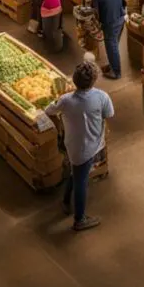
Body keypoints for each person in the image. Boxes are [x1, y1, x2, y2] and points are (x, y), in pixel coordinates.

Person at [46, 61, 112, 231]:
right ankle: (80, 219)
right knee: (81, 182)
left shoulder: (66, 100)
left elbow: (49, 111)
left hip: (72, 145)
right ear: (94, 80)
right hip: (90, 146)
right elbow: (109, 114)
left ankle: (66, 201)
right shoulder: (101, 97)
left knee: (75, 172)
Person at [91, 0, 127, 79]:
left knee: (112, 47)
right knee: (114, 44)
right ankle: (112, 65)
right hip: (120, 19)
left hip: (109, 23)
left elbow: (96, 12)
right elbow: (124, 3)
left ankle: (116, 72)